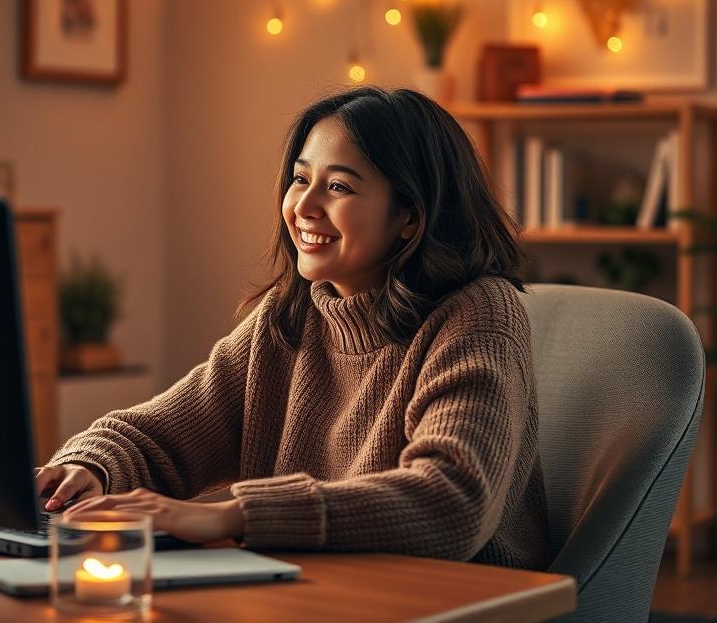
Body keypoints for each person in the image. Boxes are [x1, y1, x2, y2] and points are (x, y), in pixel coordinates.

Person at [35, 86, 550, 569]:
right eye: (301, 178)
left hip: (460, 602)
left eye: (339, 186)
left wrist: (234, 514)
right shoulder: (291, 315)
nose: (302, 207)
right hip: (315, 591)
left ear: (409, 217)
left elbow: (452, 500)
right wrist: (90, 469)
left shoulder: (479, 314)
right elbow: (159, 436)